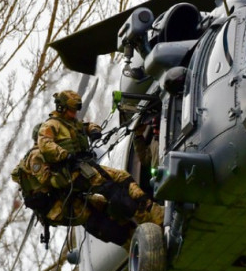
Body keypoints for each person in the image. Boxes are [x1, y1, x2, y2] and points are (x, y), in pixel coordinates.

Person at [13, 90, 163, 246]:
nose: (74, 113)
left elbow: (84, 126)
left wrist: (94, 130)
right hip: (64, 194)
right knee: (110, 197)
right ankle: (144, 228)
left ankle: (145, 224)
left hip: (74, 180)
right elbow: (48, 176)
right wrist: (66, 156)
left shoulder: (69, 124)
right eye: (71, 110)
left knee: (115, 190)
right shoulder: (41, 145)